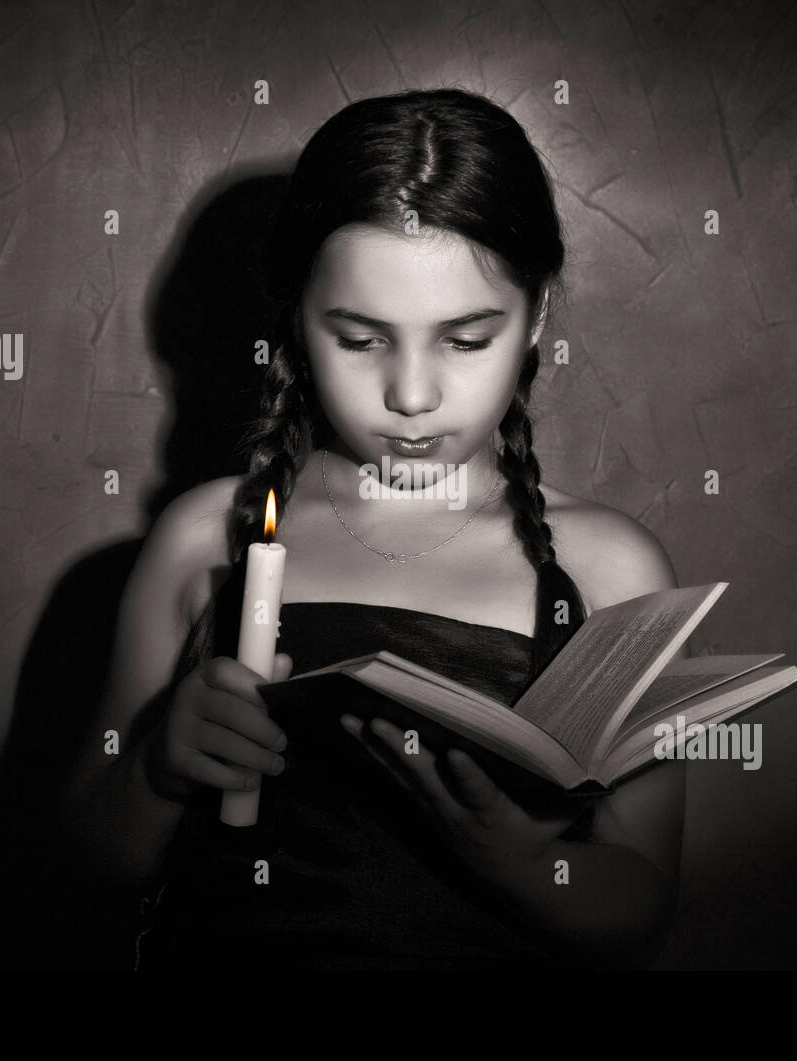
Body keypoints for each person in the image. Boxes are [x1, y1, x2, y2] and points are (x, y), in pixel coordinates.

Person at [61, 87, 686, 970]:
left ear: (538, 314)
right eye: (360, 339)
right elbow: (87, 868)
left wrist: (521, 859)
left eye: (466, 341)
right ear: (296, 319)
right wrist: (158, 766)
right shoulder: (205, 541)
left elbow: (643, 898)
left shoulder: (607, 573)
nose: (413, 395)